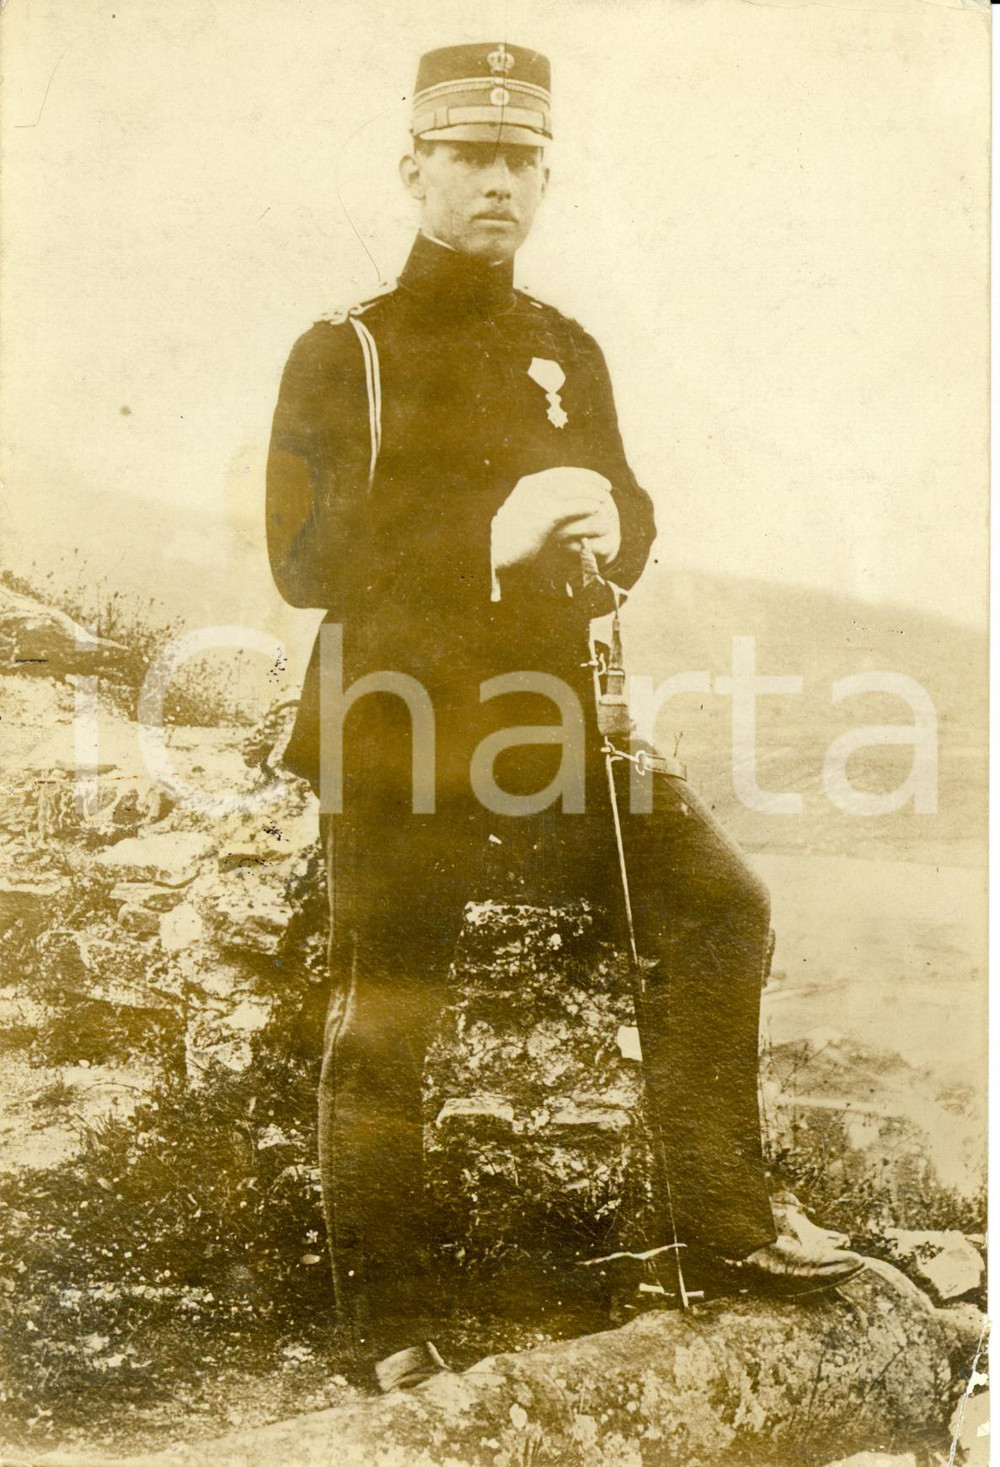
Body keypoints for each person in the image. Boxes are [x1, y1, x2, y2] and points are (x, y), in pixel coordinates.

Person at [266, 41, 863, 1392]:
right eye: (468, 155)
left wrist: (611, 525)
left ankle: (723, 1232)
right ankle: (391, 1327)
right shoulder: (346, 350)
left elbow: (632, 511)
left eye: (519, 159)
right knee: (385, 1015)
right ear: (411, 166)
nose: (495, 182)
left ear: (547, 176)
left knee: (722, 907)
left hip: (554, 726)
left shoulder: (562, 346)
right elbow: (304, 563)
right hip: (399, 726)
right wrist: (492, 535)